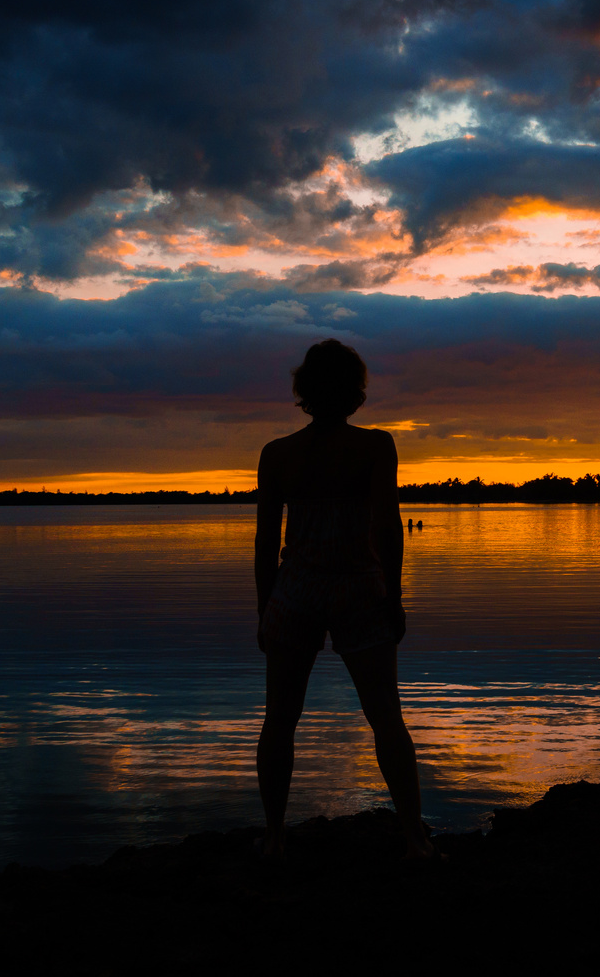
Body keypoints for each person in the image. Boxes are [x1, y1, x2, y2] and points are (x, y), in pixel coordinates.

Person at [254, 338, 434, 861]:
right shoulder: (375, 447)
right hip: (359, 587)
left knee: (279, 721)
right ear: (355, 394)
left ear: (304, 392)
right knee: (386, 718)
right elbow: (386, 526)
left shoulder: (277, 453)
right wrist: (393, 596)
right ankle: (414, 838)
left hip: (297, 590)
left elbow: (268, 541)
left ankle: (273, 839)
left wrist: (265, 607)